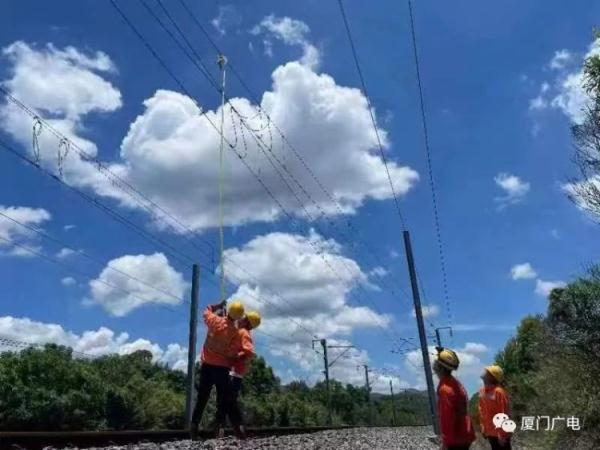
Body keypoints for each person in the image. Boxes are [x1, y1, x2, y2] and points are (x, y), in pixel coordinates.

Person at [190, 300, 245, 440]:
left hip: (207, 366)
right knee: (222, 400)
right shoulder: (235, 332)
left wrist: (218, 306)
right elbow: (233, 353)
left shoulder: (214, 320)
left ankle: (194, 427)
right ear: (238, 317)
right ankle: (219, 428)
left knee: (202, 398)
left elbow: (206, 310)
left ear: (228, 311)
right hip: (222, 369)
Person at [215, 311, 261, 437]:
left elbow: (248, 352)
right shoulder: (240, 332)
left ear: (247, 322)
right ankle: (237, 429)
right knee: (228, 401)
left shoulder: (244, 333)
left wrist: (235, 357)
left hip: (233, 373)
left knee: (225, 401)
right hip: (234, 372)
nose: (240, 319)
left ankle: (224, 428)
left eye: (243, 318)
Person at [433, 347, 476, 450]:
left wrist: (446, 443)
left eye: (436, 362)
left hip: (456, 438)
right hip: (464, 434)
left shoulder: (445, 389)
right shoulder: (455, 383)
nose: (434, 364)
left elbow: (447, 417)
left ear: (440, 367)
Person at [478, 365, 512, 450]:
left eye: (487, 371)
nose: (484, 371)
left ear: (491, 376)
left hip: (500, 434)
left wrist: (502, 434)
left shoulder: (499, 392)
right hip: (490, 433)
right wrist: (483, 427)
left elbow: (503, 413)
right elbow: (482, 411)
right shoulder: (482, 391)